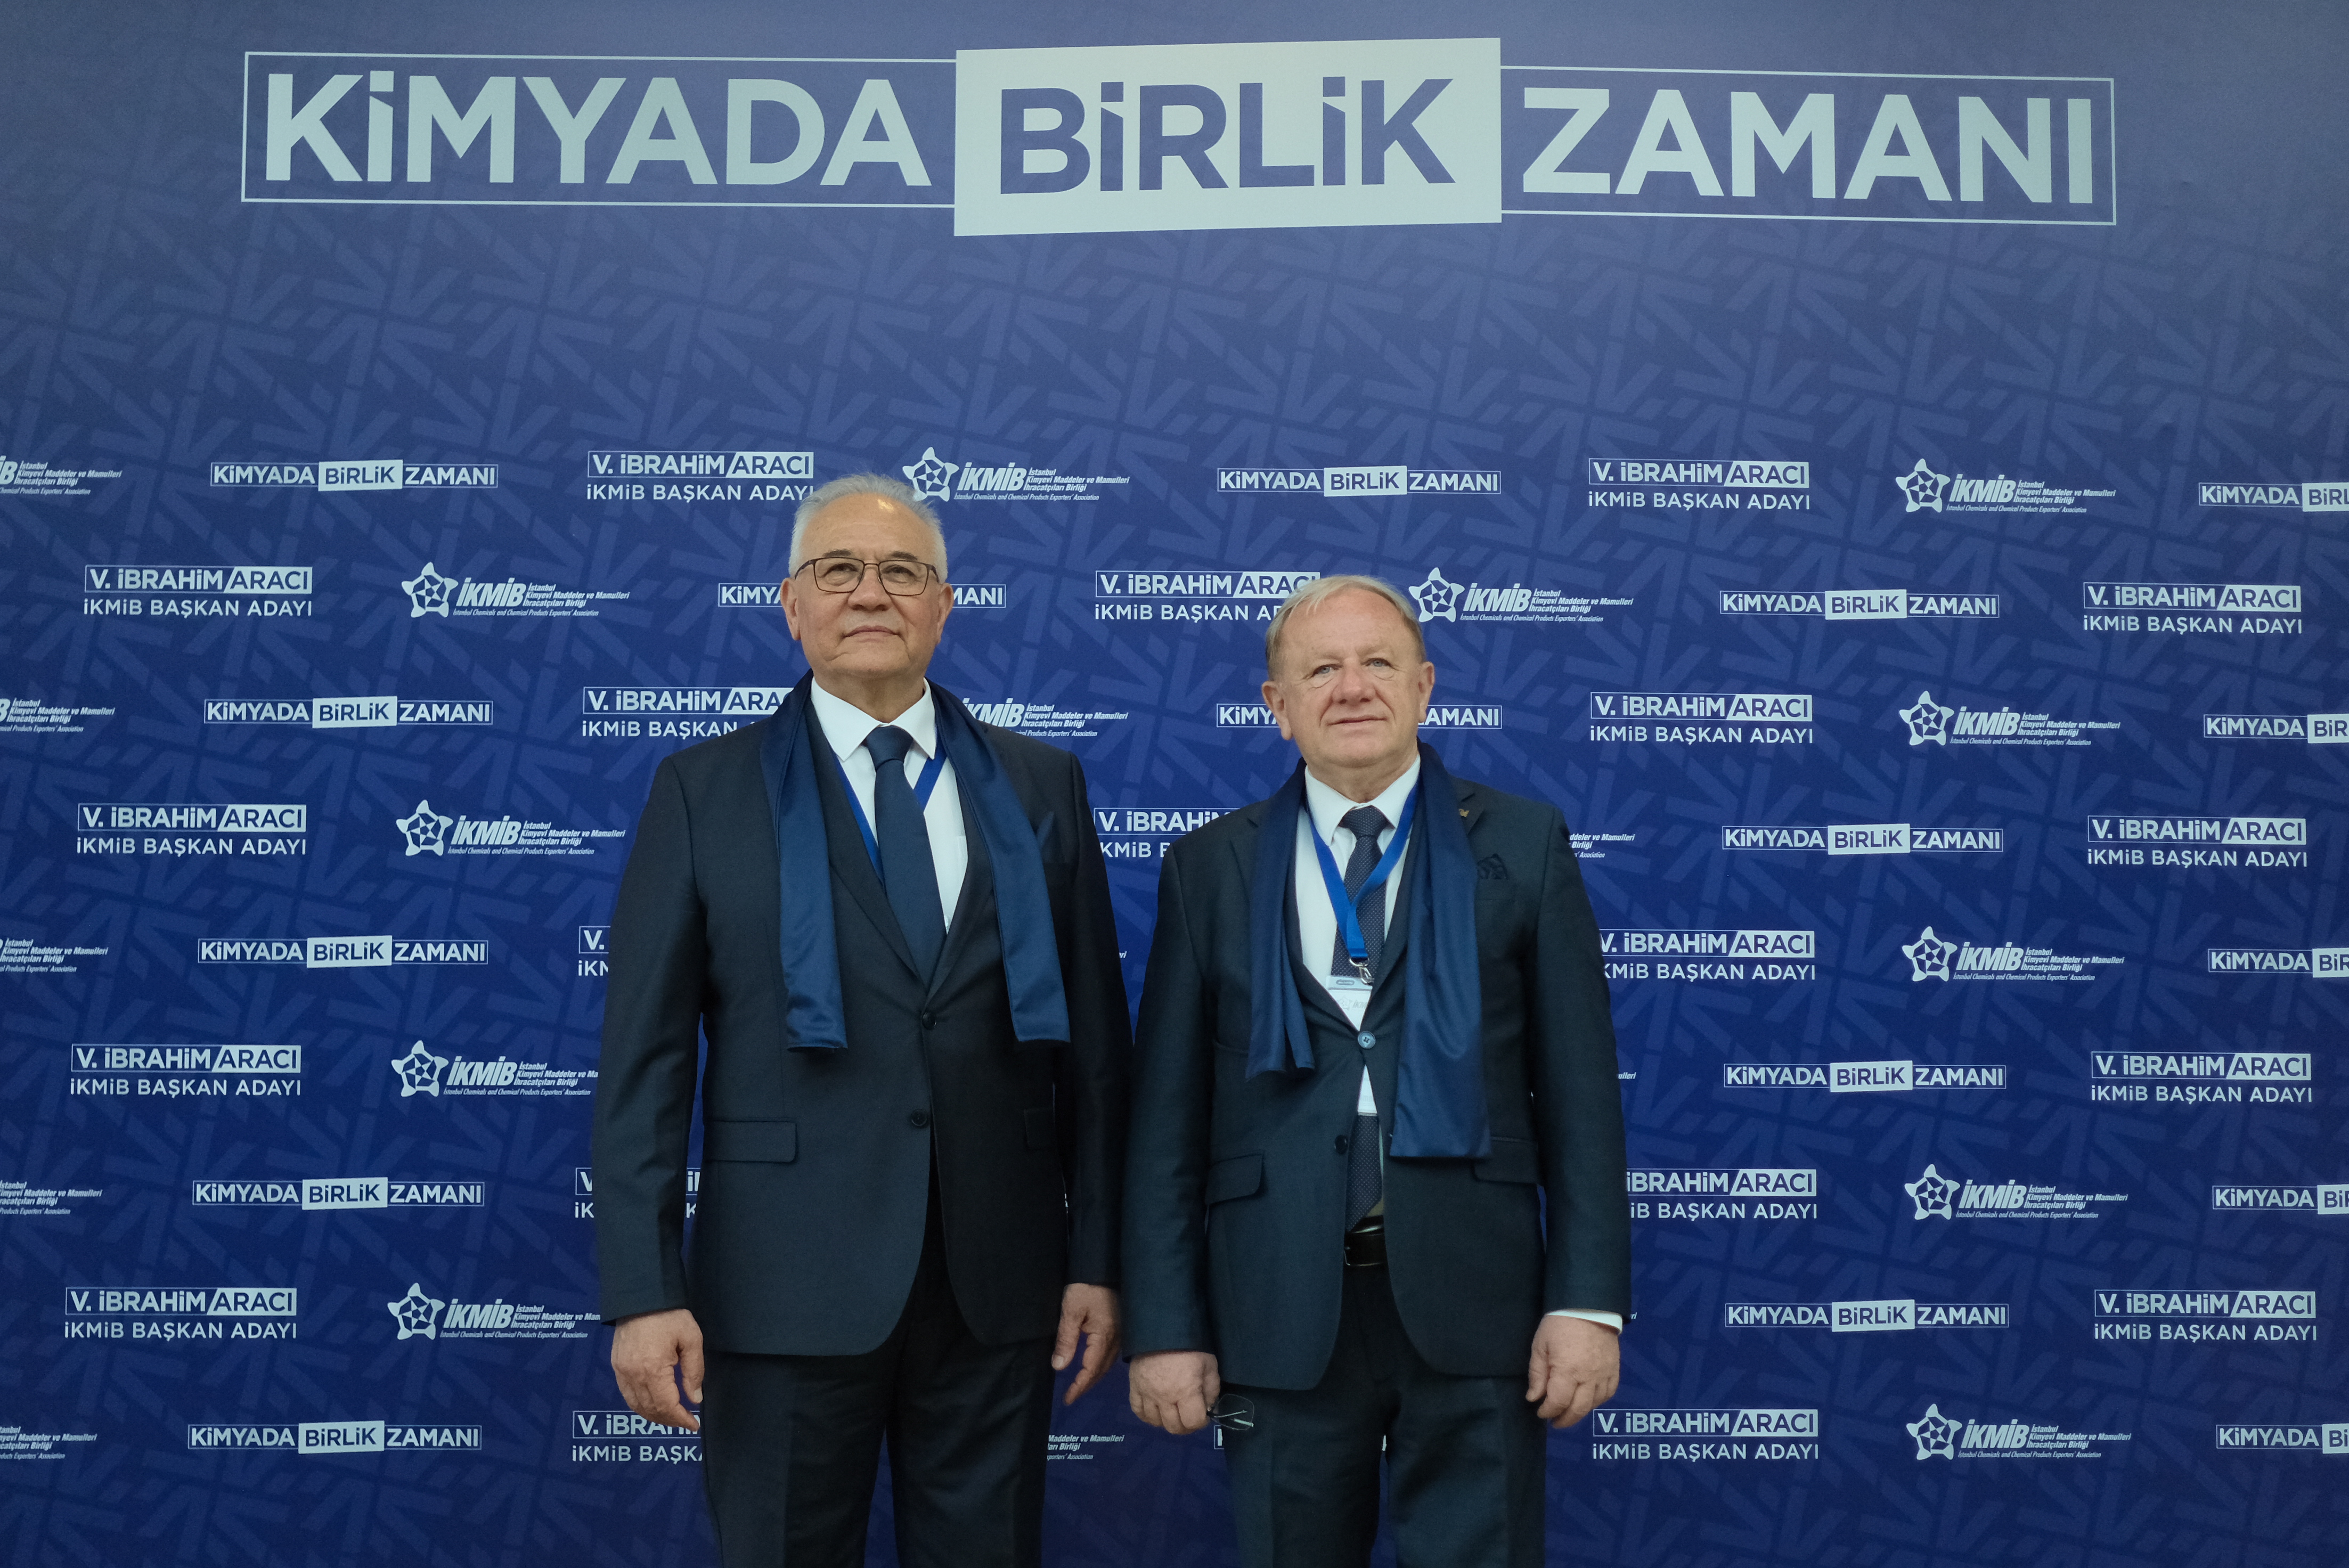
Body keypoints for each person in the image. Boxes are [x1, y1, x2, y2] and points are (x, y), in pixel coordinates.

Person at [592, 473, 1130, 1568]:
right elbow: (644, 1066)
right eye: (838, 569)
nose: (871, 593)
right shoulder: (703, 790)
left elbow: (1097, 1054)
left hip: (998, 1285)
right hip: (780, 1287)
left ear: (944, 605)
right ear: (791, 604)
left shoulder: (1042, 784)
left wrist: (1099, 1258)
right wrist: (644, 1292)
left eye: (902, 571)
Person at [1122, 574, 1630, 1568]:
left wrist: (1585, 1303)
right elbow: (1168, 1124)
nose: (1352, 687)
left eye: (1378, 663)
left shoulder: (1523, 845)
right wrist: (1167, 1324)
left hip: (1476, 1299)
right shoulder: (1208, 867)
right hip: (1278, 1306)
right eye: (1321, 670)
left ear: (1424, 686)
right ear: (1278, 705)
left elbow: (1580, 1097)